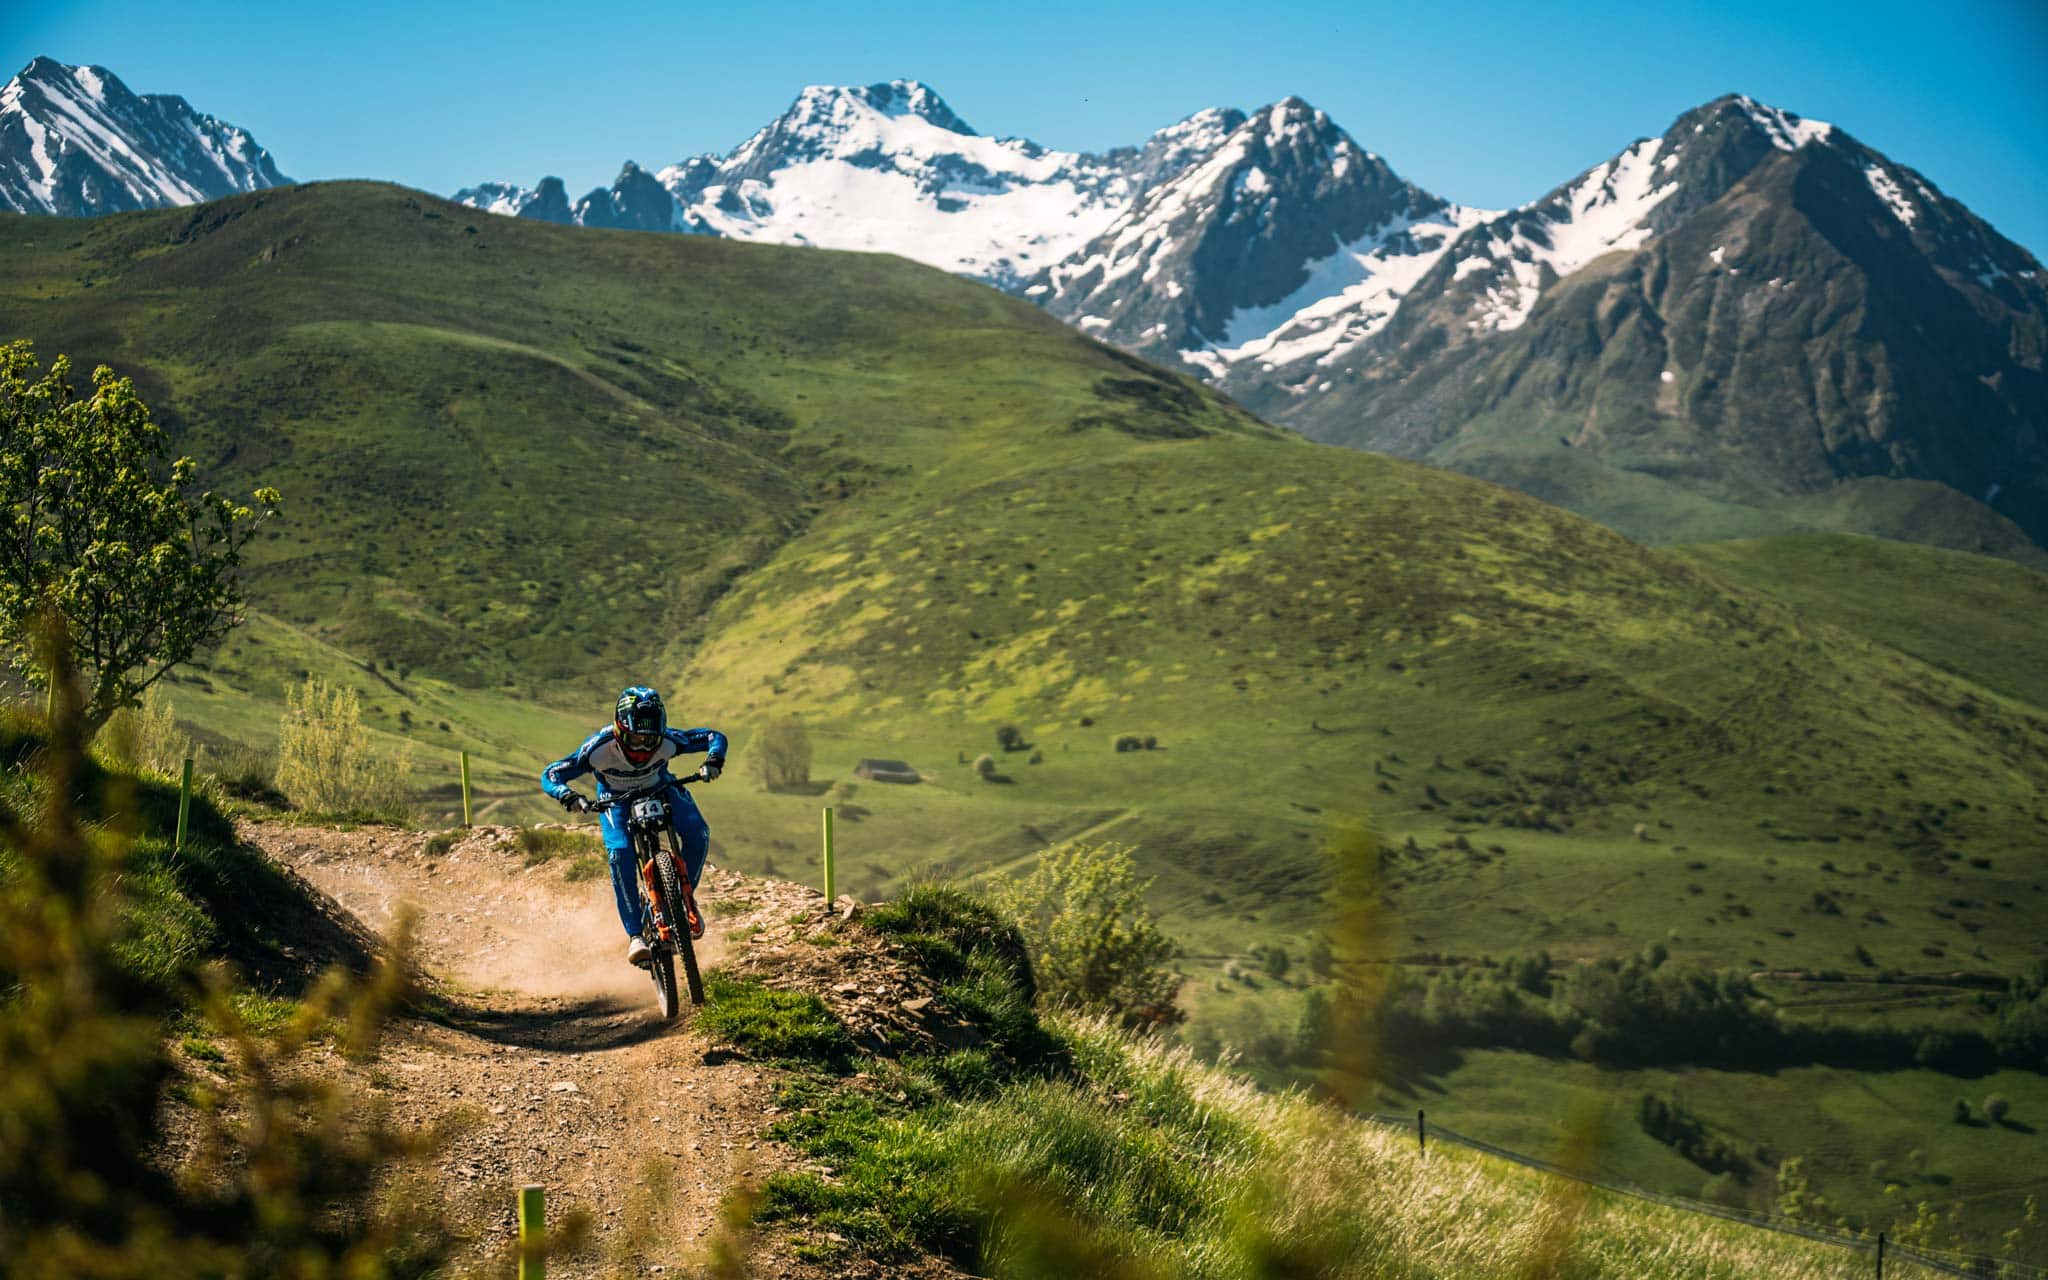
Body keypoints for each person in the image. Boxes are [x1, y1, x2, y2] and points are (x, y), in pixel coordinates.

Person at [541, 686, 726, 967]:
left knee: (698, 833)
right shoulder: (597, 748)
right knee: (620, 854)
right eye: (635, 739)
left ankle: (682, 900)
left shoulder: (669, 740)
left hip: (660, 787)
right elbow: (552, 773)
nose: (642, 748)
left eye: (650, 741)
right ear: (619, 729)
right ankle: (636, 936)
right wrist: (567, 796)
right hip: (615, 799)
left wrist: (714, 760)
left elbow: (714, 737)